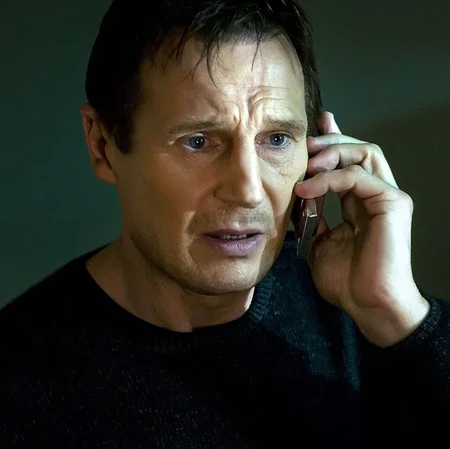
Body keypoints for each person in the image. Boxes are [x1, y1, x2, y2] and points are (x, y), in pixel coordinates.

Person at [1, 0, 449, 447]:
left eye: (277, 139)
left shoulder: (365, 315)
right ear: (102, 145)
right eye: (198, 142)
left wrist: (400, 317)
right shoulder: (20, 378)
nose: (249, 190)